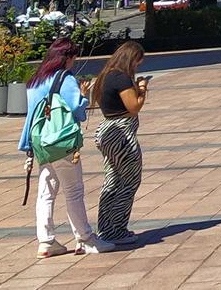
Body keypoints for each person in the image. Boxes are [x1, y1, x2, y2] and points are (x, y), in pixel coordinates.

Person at [19, 39, 111, 256]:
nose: (74, 61)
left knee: (46, 192)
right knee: (74, 190)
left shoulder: (35, 80)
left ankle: (46, 241)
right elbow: (77, 110)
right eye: (73, 57)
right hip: (62, 142)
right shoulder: (65, 78)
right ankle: (85, 238)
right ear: (67, 57)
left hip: (40, 142)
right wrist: (84, 95)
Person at [91, 40, 150, 244]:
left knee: (113, 180)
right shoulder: (121, 78)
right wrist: (142, 88)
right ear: (130, 59)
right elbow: (133, 106)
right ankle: (116, 229)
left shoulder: (105, 76)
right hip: (121, 134)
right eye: (136, 63)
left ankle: (106, 228)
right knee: (129, 181)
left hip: (108, 130)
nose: (136, 68)